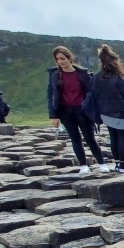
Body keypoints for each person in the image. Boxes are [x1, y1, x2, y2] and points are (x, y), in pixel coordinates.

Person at [47, 46, 109, 174]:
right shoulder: (54, 75)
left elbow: (93, 92)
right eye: (57, 59)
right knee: (75, 139)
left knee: (90, 138)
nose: (60, 61)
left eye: (63, 58)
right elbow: (50, 95)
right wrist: (53, 115)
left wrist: (97, 110)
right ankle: (83, 166)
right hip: (65, 112)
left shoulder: (83, 73)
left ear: (70, 58)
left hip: (83, 111)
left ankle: (102, 163)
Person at [92, 45, 124, 174]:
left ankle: (118, 163)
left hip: (104, 113)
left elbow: (93, 93)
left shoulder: (96, 77)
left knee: (113, 138)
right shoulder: (118, 77)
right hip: (119, 113)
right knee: (122, 139)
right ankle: (123, 164)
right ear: (114, 61)